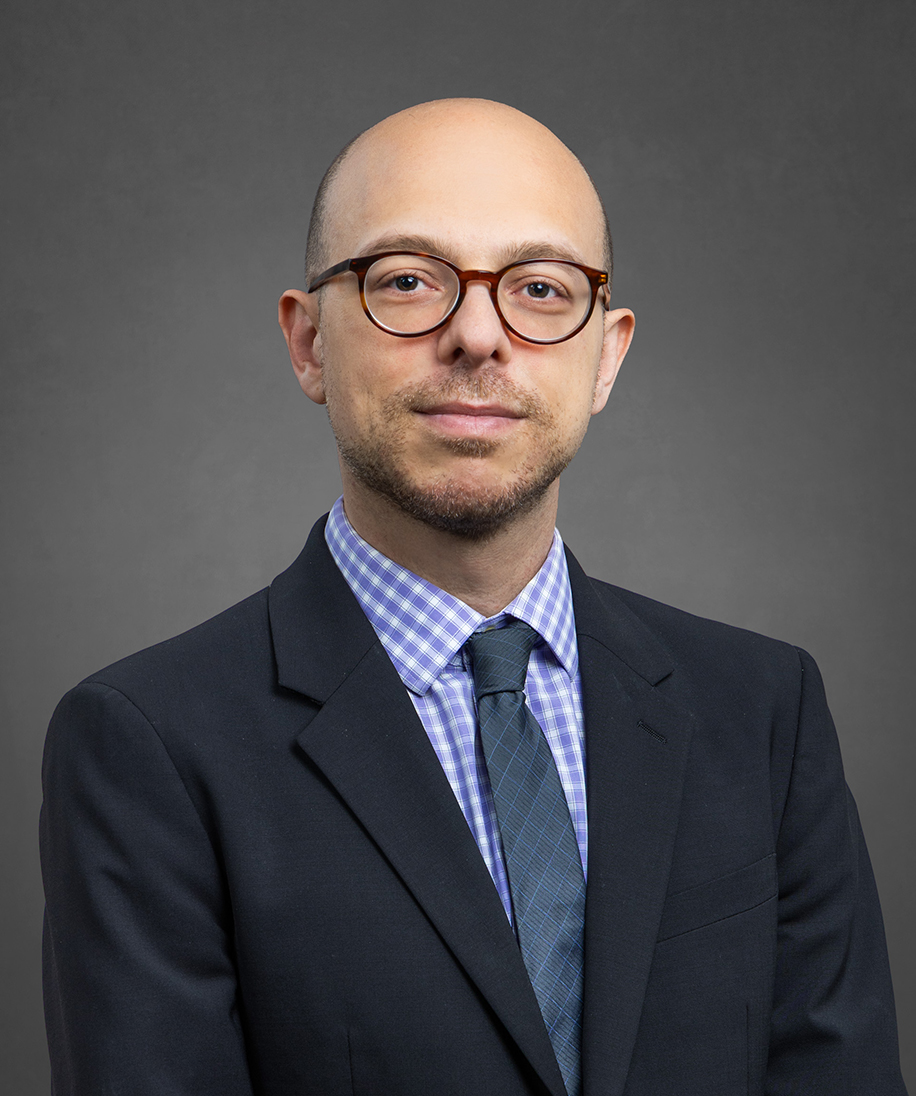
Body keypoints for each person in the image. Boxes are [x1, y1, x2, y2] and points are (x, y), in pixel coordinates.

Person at [40, 98, 907, 1096]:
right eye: (408, 280)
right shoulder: (147, 745)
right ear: (309, 343)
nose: (479, 335)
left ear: (606, 356)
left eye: (540, 288)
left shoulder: (763, 710)